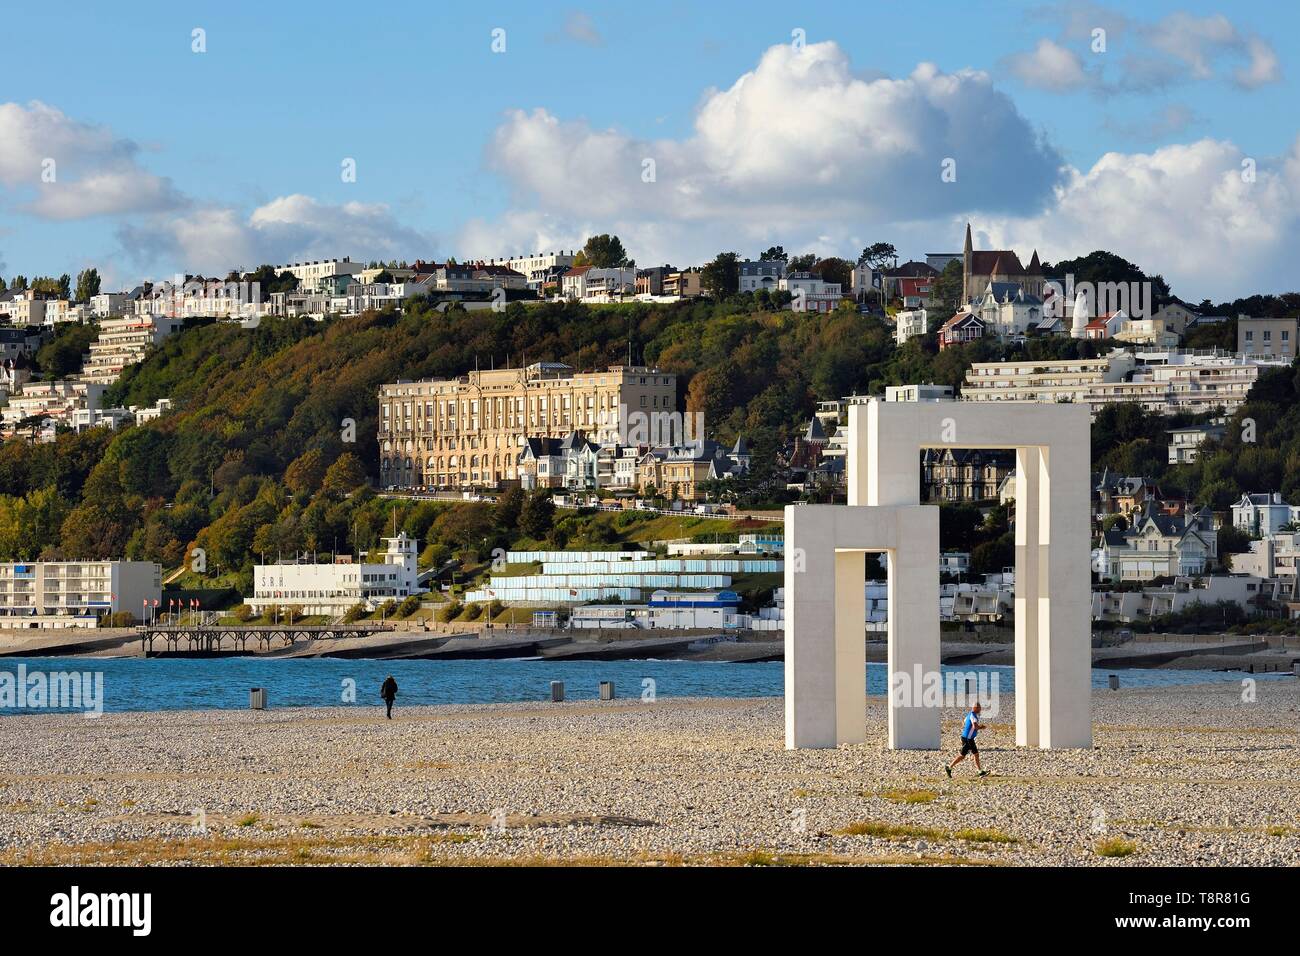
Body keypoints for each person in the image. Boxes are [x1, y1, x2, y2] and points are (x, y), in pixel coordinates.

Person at [945, 701, 989, 777]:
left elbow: (964, 722)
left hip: (968, 738)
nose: (980, 709)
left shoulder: (970, 715)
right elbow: (975, 727)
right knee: (964, 755)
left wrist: (967, 729)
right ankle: (949, 767)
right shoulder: (973, 716)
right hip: (967, 739)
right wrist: (981, 727)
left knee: (975, 754)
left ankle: (979, 771)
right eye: (979, 708)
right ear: (975, 708)